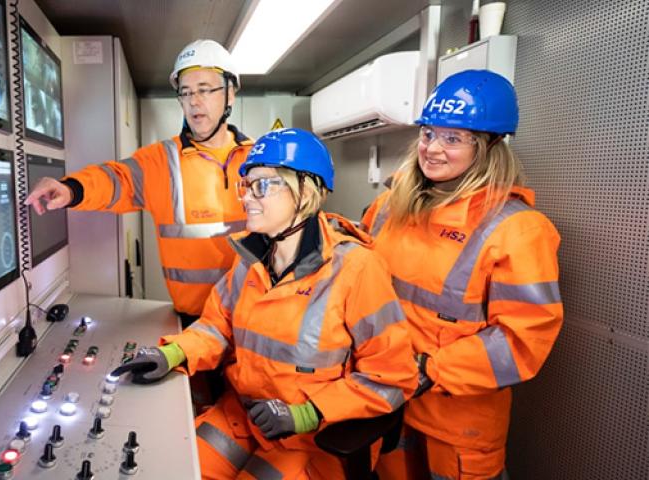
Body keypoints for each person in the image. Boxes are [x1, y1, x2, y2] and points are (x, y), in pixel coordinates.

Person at [113, 128, 419, 479]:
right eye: (246, 185)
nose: (246, 197)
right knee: (168, 470)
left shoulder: (356, 269)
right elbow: (216, 327)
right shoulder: (250, 260)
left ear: (305, 191)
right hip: (242, 416)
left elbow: (392, 378)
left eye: (262, 185)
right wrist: (173, 353)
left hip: (310, 437)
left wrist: (306, 414)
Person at [362, 70, 564, 479]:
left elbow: (521, 342)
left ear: (489, 147)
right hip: (386, 403)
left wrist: (429, 369)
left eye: (453, 138)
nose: (432, 149)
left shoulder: (517, 230)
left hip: (458, 426)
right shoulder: (388, 208)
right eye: (428, 134)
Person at [25, 39, 253, 327]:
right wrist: (71, 189)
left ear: (230, 94)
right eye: (185, 92)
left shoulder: (260, 158)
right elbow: (115, 179)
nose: (194, 101)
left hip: (252, 319)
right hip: (193, 322)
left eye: (205, 89)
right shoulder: (162, 160)